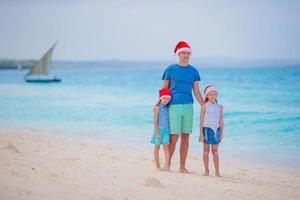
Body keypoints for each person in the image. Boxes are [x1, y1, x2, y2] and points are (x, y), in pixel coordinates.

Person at [162, 41, 205, 173]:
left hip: (188, 106)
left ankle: (182, 166)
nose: (186, 55)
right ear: (178, 54)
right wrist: (159, 107)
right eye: (183, 53)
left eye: (188, 53)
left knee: (186, 136)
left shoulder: (194, 71)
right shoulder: (170, 69)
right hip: (173, 106)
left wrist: (204, 106)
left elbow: (196, 91)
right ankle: (167, 164)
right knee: (174, 137)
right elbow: (164, 90)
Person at [199, 85, 224, 177]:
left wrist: (221, 133)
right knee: (206, 150)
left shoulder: (220, 107)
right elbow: (201, 120)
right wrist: (201, 134)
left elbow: (221, 120)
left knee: (215, 151)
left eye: (214, 94)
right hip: (206, 129)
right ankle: (206, 171)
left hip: (216, 130)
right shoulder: (204, 106)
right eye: (210, 94)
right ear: (207, 96)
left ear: (216, 95)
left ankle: (217, 171)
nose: (212, 96)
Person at [150, 88, 172, 171]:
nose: (166, 100)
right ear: (160, 98)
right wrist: (157, 132)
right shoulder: (157, 108)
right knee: (157, 147)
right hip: (159, 130)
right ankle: (157, 166)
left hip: (166, 130)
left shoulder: (168, 108)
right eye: (164, 98)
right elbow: (155, 122)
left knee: (166, 147)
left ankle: (167, 166)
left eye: (167, 98)